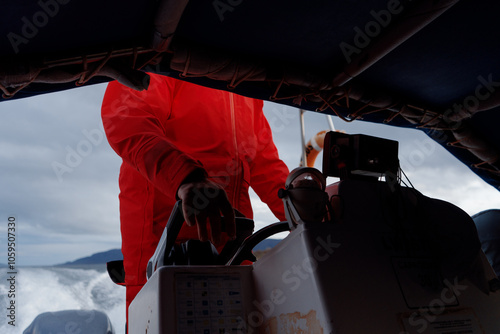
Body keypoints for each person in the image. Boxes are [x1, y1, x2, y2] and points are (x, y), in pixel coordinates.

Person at [101, 72, 289, 321]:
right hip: (166, 247)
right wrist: (186, 178)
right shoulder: (162, 59)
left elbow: (264, 160)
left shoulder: (246, 87)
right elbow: (128, 120)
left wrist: (304, 209)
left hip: (233, 246)